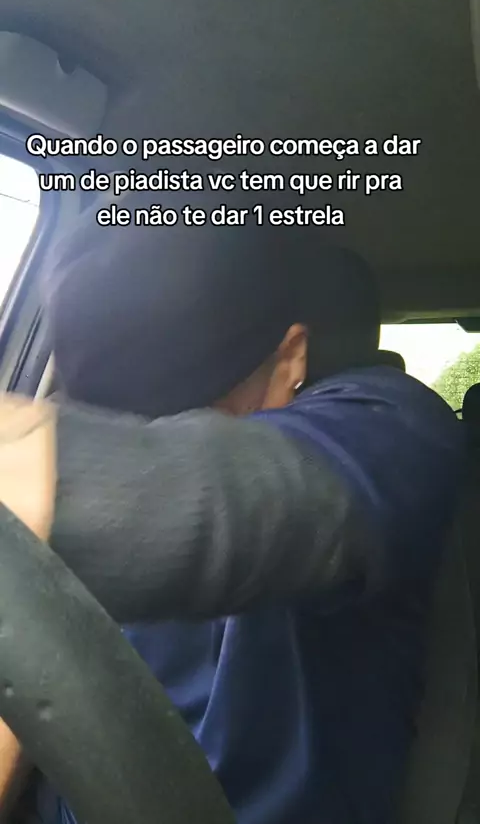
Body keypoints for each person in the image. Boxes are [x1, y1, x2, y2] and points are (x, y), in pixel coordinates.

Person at [0, 191, 465, 824]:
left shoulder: (389, 425)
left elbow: (230, 503)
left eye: (183, 414)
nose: (137, 437)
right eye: (103, 418)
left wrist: (51, 475)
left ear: (292, 357)